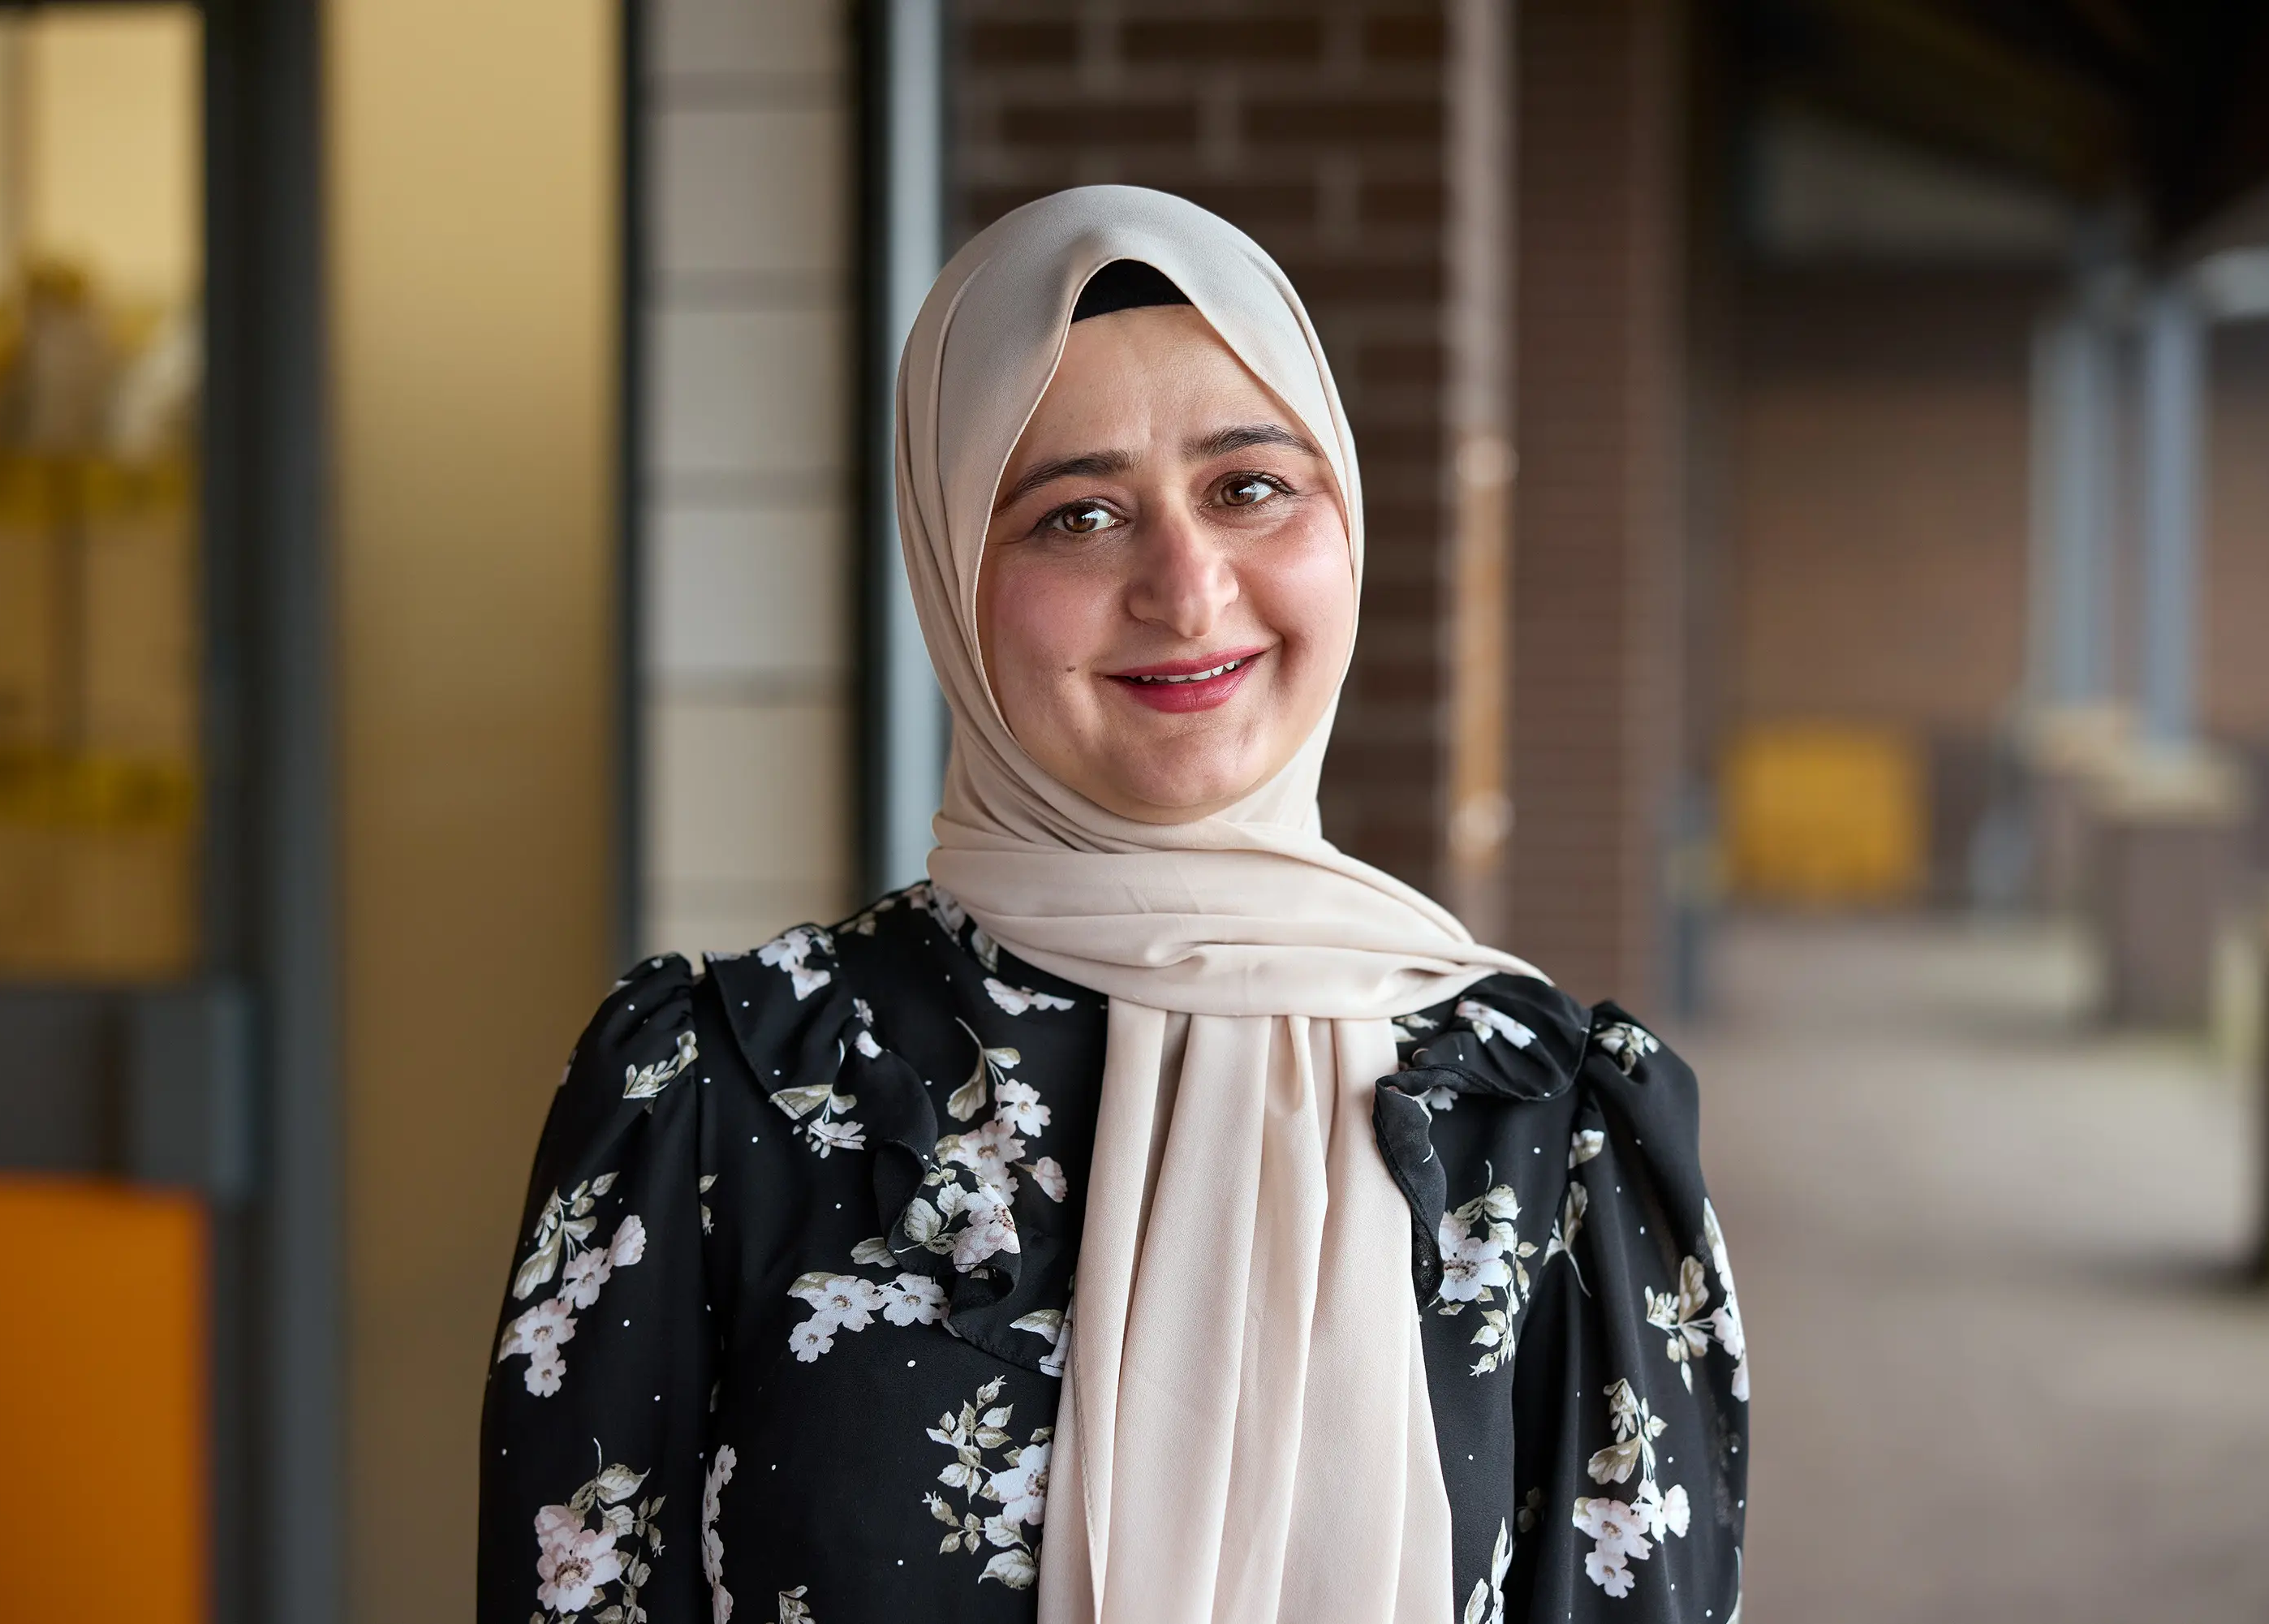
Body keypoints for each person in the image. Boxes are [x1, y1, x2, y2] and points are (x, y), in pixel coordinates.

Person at [478, 186, 1747, 1624]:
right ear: (953, 577)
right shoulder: (723, 1094)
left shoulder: (1549, 1121)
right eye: (1077, 516)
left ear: (1345, 517)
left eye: (1250, 486)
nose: (1188, 590)